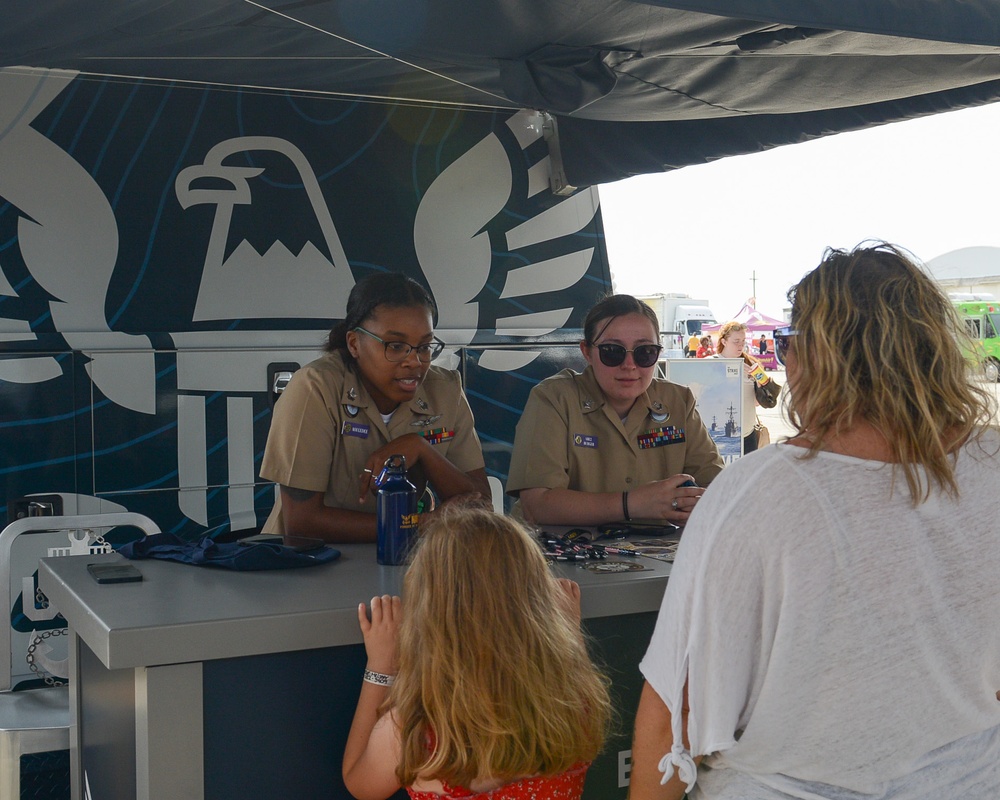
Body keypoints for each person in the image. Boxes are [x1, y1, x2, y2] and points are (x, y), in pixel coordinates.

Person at [630, 242, 1000, 799]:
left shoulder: (757, 490)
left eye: (788, 343)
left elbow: (673, 709)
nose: (785, 360)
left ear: (819, 355)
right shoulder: (992, 465)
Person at [342, 505, 612, 800]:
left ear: (428, 613)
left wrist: (381, 666)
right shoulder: (575, 700)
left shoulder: (415, 728)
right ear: (540, 607)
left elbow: (360, 784)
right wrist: (570, 634)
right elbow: (575, 674)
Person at [259, 272, 489, 542]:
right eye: (396, 345)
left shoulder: (445, 391)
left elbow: (482, 508)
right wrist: (421, 524)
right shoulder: (316, 388)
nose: (414, 361)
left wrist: (421, 449)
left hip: (404, 565)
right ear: (355, 343)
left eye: (424, 346)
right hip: (312, 567)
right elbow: (302, 523)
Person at [507, 294, 723, 526]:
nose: (629, 365)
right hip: (566, 554)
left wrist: (694, 502)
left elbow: (719, 488)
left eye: (644, 352)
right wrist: (632, 504)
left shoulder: (679, 402)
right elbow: (537, 505)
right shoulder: (555, 400)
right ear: (587, 352)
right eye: (612, 351)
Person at [713, 321, 779, 454]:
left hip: (747, 434)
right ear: (724, 342)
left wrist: (762, 387)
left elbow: (757, 403)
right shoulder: (712, 363)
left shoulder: (751, 364)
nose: (740, 345)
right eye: (736, 341)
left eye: (743, 341)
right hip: (719, 436)